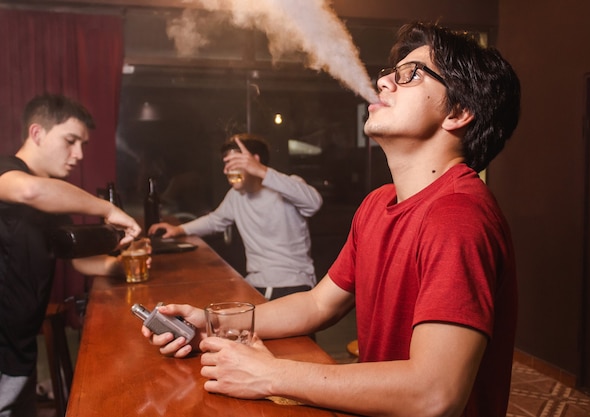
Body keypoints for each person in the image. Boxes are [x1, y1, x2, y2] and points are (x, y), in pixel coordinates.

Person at [144, 21, 520, 417]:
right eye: (389, 74)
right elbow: (317, 305)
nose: (385, 84)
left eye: (409, 75)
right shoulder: (377, 204)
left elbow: (434, 395)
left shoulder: (457, 216)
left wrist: (270, 374)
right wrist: (205, 321)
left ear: (459, 112)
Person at [0, 93, 141, 417]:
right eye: (70, 141)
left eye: (83, 145)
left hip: (19, 343)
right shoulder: (7, 171)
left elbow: (77, 260)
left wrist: (129, 266)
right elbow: (29, 191)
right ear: (37, 133)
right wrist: (108, 209)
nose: (78, 154)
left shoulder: (52, 196)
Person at [148, 133, 323, 300]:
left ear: (254, 161)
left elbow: (314, 203)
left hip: (293, 284)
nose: (226, 170)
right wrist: (178, 229)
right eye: (226, 164)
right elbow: (215, 220)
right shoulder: (236, 195)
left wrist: (261, 171)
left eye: (233, 163)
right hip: (257, 282)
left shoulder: (288, 185)